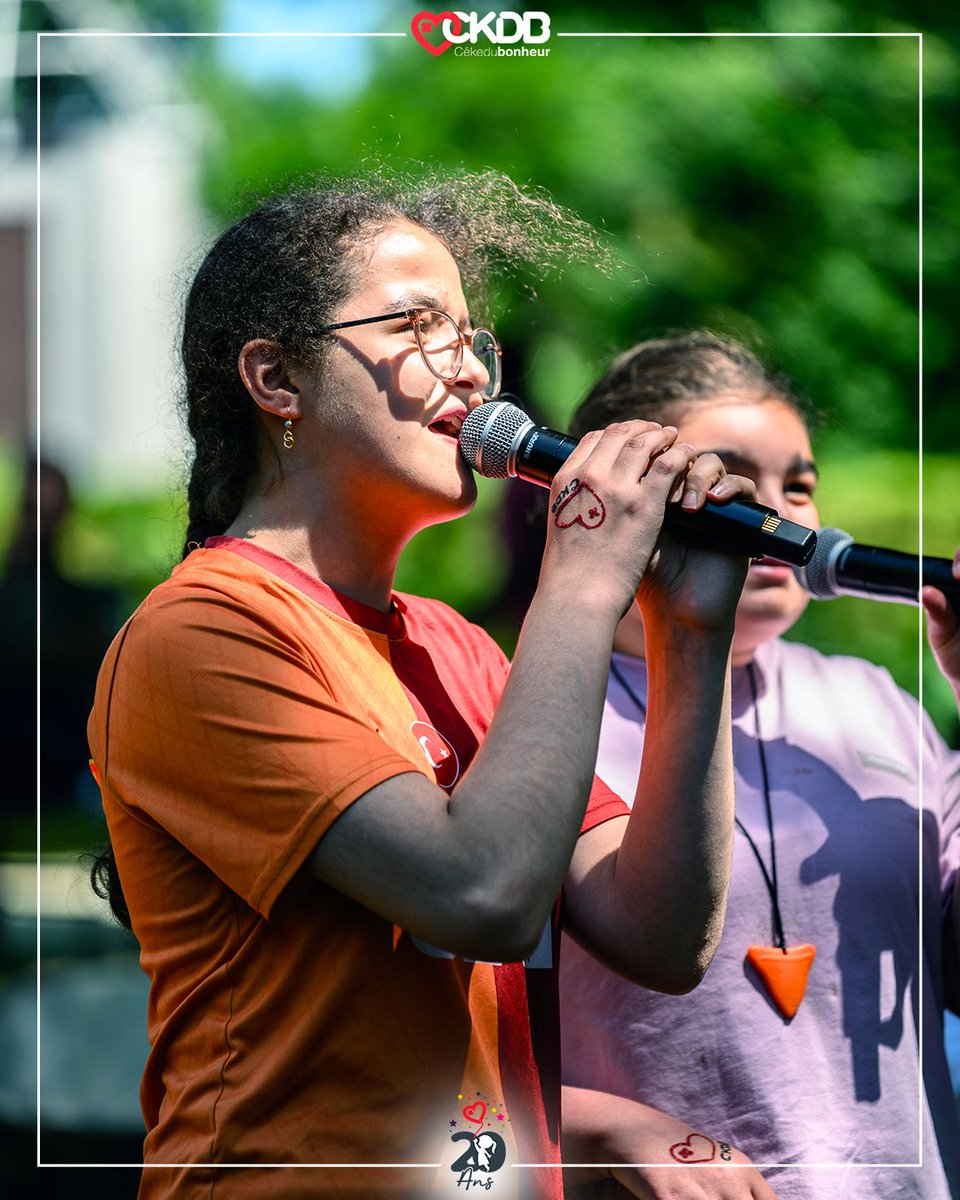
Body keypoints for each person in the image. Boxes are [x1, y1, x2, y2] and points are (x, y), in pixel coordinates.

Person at [86, 176, 771, 1199]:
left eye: (474, 338)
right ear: (276, 379)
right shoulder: (202, 631)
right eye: (418, 325)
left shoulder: (456, 647)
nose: (472, 374)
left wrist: (692, 634)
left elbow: (663, 934)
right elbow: (481, 896)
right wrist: (581, 578)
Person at [557, 332, 960, 1199]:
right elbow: (435, 1059)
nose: (782, 516)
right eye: (734, 480)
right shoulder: (535, 714)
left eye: (801, 485)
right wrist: (602, 1130)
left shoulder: (877, 699)